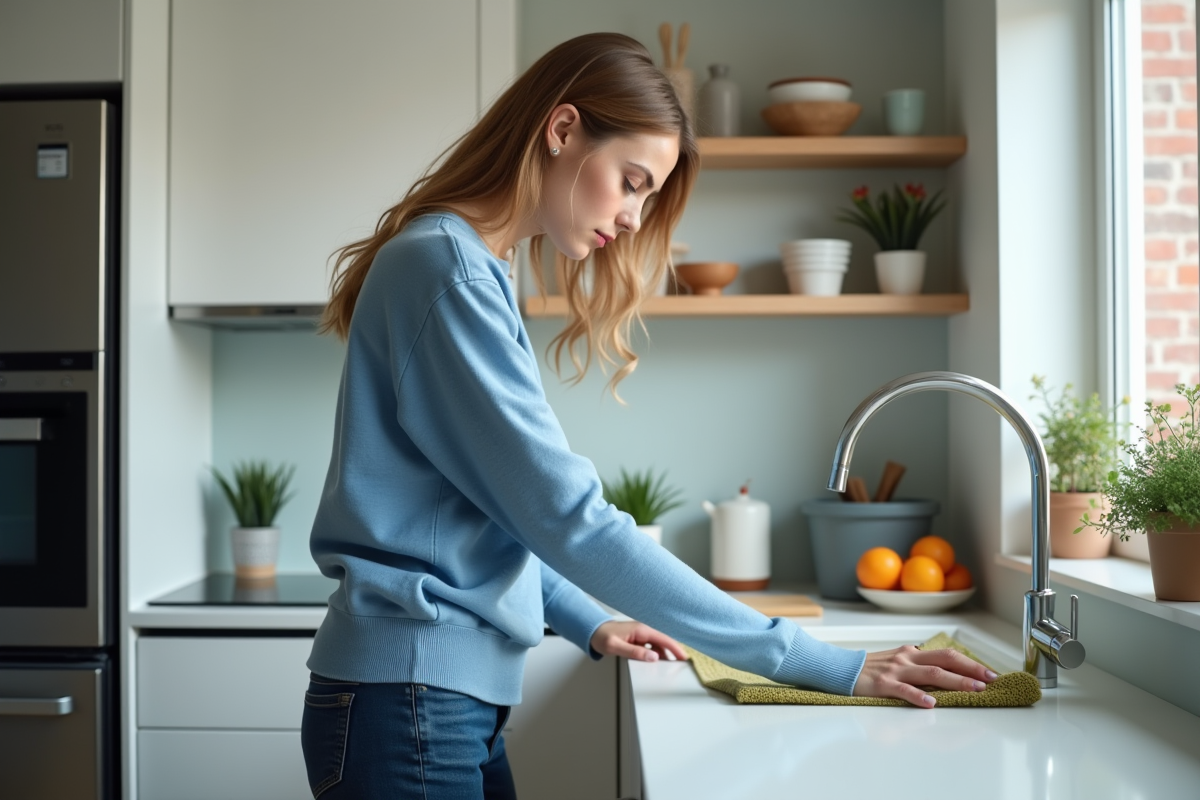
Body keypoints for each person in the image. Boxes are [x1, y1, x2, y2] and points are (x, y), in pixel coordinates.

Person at [299, 31, 996, 800]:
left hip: (431, 699)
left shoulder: (470, 266)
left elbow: (486, 512)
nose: (634, 218)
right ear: (562, 130)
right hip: (412, 700)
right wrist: (830, 664)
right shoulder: (447, 267)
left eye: (648, 196)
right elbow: (568, 519)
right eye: (631, 181)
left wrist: (582, 616)